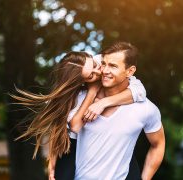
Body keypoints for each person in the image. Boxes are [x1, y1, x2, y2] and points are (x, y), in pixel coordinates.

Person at [11, 51, 146, 179]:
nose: (99, 71)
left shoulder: (103, 61)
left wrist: (104, 102)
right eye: (90, 76)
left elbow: (139, 91)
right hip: (73, 145)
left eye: (94, 65)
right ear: (82, 81)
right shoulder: (73, 98)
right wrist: (92, 92)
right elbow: (68, 127)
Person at [67, 42, 165, 180]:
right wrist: (52, 164)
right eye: (104, 64)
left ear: (130, 71)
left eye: (113, 66)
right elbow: (59, 131)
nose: (105, 71)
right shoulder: (80, 98)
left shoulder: (146, 109)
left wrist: (145, 178)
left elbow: (158, 144)